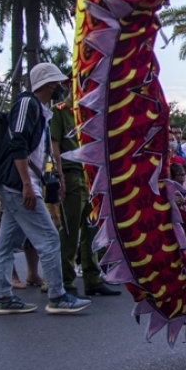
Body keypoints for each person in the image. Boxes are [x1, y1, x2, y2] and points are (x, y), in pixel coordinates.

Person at [0, 63, 92, 315]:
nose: (59, 86)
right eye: (56, 82)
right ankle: (57, 295)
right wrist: (26, 183)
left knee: (5, 244)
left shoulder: (39, 108)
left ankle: (3, 296)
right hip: (19, 185)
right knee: (49, 238)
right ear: (48, 84)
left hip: (17, 184)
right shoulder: (27, 104)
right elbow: (18, 143)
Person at [50, 94, 120, 296]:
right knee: (70, 231)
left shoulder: (92, 114)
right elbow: (54, 145)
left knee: (93, 231)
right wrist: (59, 175)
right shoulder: (60, 111)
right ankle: (66, 281)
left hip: (93, 177)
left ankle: (92, 278)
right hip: (71, 175)